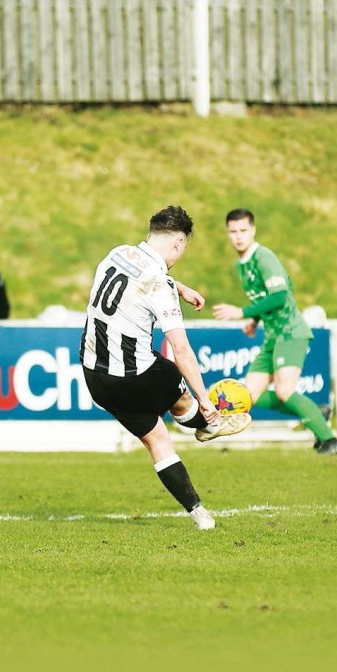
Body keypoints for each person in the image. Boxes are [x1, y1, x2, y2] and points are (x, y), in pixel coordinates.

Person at [81, 205, 250, 531]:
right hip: (135, 374)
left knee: (157, 439)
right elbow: (182, 350)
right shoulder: (159, 285)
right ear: (179, 243)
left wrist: (180, 288)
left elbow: (144, 273)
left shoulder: (117, 253)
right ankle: (209, 424)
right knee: (177, 386)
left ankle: (200, 515)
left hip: (95, 376)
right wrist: (205, 400)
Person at [212, 209, 337, 456]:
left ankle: (330, 442)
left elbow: (280, 295)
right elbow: (264, 298)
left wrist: (242, 312)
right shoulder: (242, 265)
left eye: (243, 230)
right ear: (227, 233)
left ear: (253, 230)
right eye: (233, 231)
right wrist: (254, 320)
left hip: (290, 332)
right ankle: (313, 410)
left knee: (284, 391)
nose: (238, 236)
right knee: (248, 397)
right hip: (272, 336)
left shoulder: (264, 258)